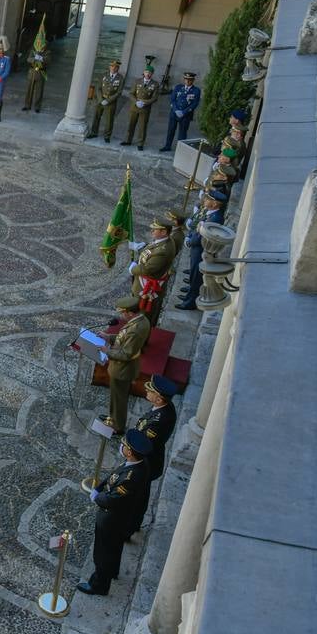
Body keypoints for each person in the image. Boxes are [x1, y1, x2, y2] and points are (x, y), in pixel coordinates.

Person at [77, 429, 152, 596]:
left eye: (124, 445)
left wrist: (97, 497)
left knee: (103, 552)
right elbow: (114, 475)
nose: (121, 446)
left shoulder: (132, 476)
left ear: (130, 452)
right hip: (119, 518)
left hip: (112, 519)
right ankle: (113, 571)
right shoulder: (135, 463)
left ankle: (99, 585)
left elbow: (112, 499)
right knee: (114, 548)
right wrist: (99, 487)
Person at [130, 375, 179, 538]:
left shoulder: (159, 420)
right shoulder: (164, 407)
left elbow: (143, 444)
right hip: (148, 459)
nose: (146, 390)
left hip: (147, 462)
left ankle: (131, 525)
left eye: (150, 390)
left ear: (158, 399)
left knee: (138, 496)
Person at [99, 296, 150, 431]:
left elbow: (126, 354)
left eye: (123, 313)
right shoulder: (139, 320)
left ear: (130, 313)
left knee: (119, 399)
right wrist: (108, 337)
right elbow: (123, 338)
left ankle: (117, 426)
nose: (121, 316)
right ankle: (112, 418)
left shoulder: (136, 329)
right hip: (121, 368)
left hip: (122, 370)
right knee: (116, 397)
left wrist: (107, 351)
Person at [175, 189, 227, 310]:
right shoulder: (209, 212)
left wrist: (190, 241)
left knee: (197, 275)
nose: (205, 200)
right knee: (193, 272)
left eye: (208, 199)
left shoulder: (215, 218)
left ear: (215, 204)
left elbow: (202, 236)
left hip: (201, 250)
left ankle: (191, 301)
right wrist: (189, 237)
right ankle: (190, 292)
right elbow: (197, 226)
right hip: (196, 248)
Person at [131, 218, 177, 322]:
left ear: (164, 232)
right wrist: (141, 248)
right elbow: (152, 249)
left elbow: (147, 269)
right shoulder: (163, 241)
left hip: (146, 289)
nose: (151, 231)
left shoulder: (163, 251)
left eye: (155, 229)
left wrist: (133, 269)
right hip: (145, 284)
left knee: (141, 315)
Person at [160, 71, 201, 152]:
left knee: (182, 133)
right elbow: (172, 99)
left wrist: (184, 112)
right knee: (171, 130)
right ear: (184, 80)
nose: (187, 81)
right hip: (174, 113)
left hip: (186, 115)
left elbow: (194, 103)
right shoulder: (178, 87)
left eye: (190, 80)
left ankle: (180, 149)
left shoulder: (196, 90)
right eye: (186, 79)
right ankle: (167, 146)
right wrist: (176, 110)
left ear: (193, 80)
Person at [121, 67, 160, 150]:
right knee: (131, 124)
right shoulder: (137, 81)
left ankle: (140, 143)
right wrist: (136, 102)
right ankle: (128, 140)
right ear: (144, 72)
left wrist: (145, 102)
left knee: (142, 126)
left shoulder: (155, 84)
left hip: (145, 108)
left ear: (152, 74)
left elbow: (155, 98)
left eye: (150, 73)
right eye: (146, 72)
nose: (148, 74)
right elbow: (131, 93)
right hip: (135, 107)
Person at [86, 60, 124, 141]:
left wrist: (108, 100)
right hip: (101, 100)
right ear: (109, 67)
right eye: (112, 66)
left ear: (118, 68)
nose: (113, 68)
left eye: (116, 67)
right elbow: (98, 88)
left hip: (111, 102)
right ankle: (94, 133)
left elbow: (119, 92)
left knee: (109, 119)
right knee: (96, 117)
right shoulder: (104, 75)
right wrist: (101, 99)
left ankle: (107, 136)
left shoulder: (120, 78)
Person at [21, 45, 47, 112]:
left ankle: (37, 107)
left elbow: (48, 60)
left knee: (39, 90)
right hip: (32, 72)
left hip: (41, 72)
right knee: (29, 90)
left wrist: (41, 58)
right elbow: (28, 59)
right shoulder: (33, 51)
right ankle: (27, 105)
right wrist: (34, 58)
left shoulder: (47, 51)